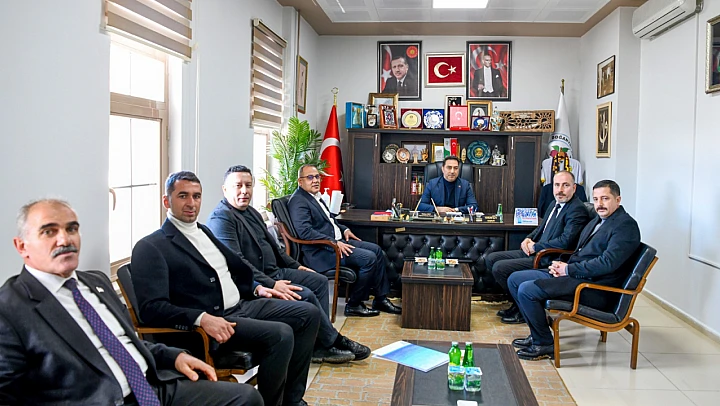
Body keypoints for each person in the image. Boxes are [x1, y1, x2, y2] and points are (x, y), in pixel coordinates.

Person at [0, 199, 263, 406]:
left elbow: (124, 340)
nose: (65, 240)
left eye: (72, 229)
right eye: (49, 231)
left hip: (152, 387)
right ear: (21, 246)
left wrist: (174, 356)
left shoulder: (95, 281)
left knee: (246, 398)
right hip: (102, 399)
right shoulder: (10, 308)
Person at [131, 171, 320, 406]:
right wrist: (201, 318)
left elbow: (229, 271)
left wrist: (257, 288)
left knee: (308, 313)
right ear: (166, 201)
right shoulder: (151, 247)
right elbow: (152, 308)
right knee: (281, 334)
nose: (191, 203)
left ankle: (292, 400)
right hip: (213, 323)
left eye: (196, 196)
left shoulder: (203, 231)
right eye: (183, 196)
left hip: (243, 304)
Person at [206, 165, 371, 364]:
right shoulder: (222, 217)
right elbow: (238, 263)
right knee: (305, 294)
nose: (244, 191)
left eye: (248, 185)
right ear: (225, 189)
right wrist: (272, 284)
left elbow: (275, 248)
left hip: (276, 271)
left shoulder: (251, 211)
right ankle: (332, 341)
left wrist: (296, 266)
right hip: (258, 282)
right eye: (238, 186)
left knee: (318, 281)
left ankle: (319, 344)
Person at [507, 180, 641, 361]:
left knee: (527, 290)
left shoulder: (625, 226)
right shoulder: (598, 220)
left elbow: (607, 264)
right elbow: (580, 252)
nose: (599, 204)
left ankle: (544, 344)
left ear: (618, 200)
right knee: (515, 279)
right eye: (596, 199)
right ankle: (537, 333)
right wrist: (560, 265)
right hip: (577, 275)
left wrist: (568, 269)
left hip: (593, 287)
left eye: (605, 198)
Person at [288, 164, 401, 317]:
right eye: (310, 177)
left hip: (336, 242)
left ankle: (380, 299)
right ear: (300, 182)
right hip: (322, 251)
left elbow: (329, 221)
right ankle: (354, 305)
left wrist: (344, 229)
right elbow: (305, 232)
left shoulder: (314, 196)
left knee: (376, 250)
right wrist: (334, 243)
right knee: (369, 259)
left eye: (317, 177)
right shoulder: (299, 201)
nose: (315, 180)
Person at [485, 171, 590, 324]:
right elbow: (541, 228)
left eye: (565, 185)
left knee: (500, 267)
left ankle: (523, 310)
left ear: (574, 188)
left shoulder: (577, 209)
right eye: (557, 185)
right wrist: (529, 238)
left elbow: (565, 242)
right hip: (537, 251)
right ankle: (518, 304)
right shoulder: (554, 204)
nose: (560, 190)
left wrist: (536, 246)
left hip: (549, 257)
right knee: (491, 258)